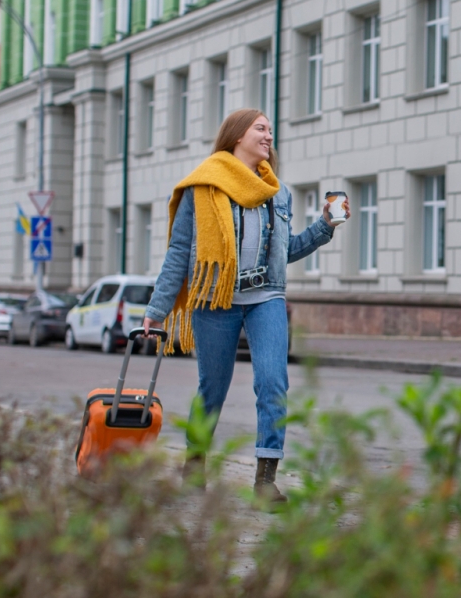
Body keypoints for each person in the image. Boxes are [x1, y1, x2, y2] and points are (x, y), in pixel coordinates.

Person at [141, 108, 344, 502]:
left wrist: (324, 228)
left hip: (266, 296)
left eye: (270, 130)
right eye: (261, 129)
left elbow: (284, 253)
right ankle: (194, 465)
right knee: (211, 388)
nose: (269, 136)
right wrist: (157, 308)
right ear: (237, 135)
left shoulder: (277, 192)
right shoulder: (204, 187)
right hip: (215, 299)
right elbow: (180, 251)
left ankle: (265, 481)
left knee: (273, 383)